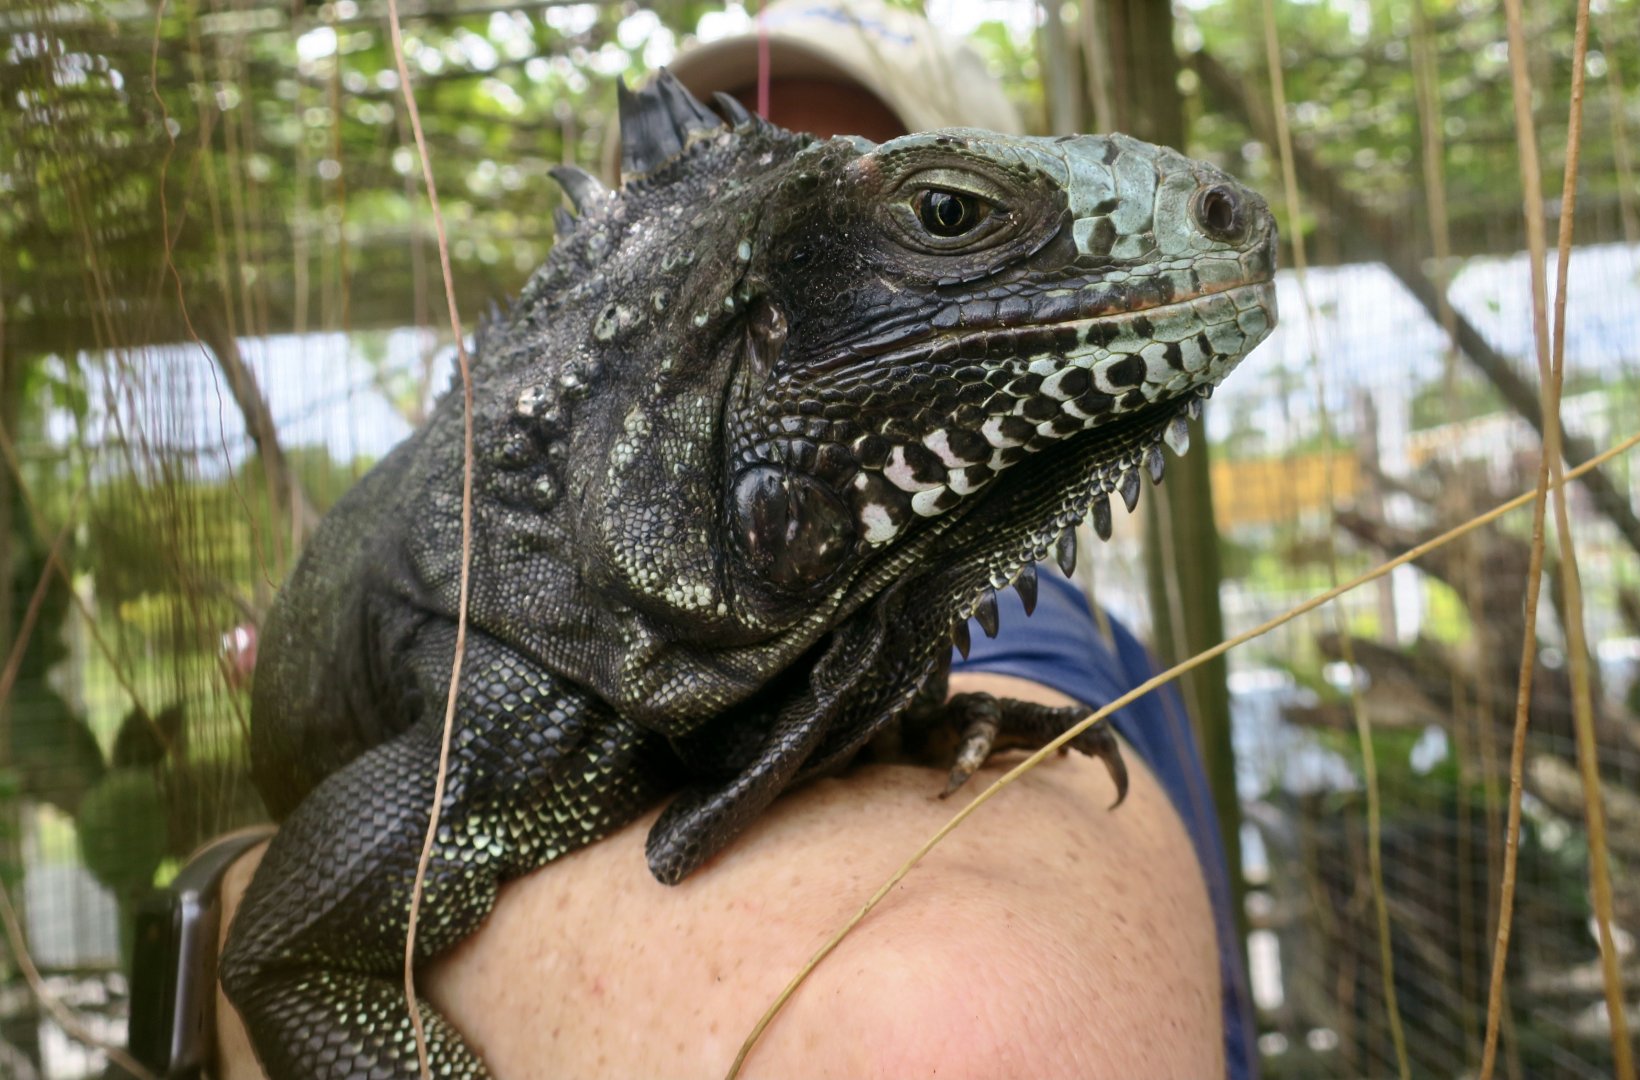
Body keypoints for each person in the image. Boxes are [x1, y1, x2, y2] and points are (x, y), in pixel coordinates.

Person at [191, 3, 1254, 1076]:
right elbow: (292, 959)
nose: (763, 156)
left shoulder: (1001, 629)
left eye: (940, 207)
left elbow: (956, 1019)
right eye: (730, 159)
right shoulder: (519, 668)